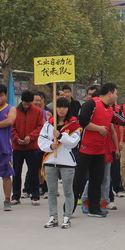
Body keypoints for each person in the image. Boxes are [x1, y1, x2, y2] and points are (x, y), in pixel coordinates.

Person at [73, 83, 125, 218]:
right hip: (86, 148)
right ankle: (69, 208)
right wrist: (99, 129)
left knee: (97, 180)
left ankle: (94, 209)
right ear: (110, 93)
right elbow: (83, 121)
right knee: (79, 179)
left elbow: (123, 121)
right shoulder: (92, 104)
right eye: (116, 93)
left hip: (100, 150)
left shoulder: (110, 110)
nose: (117, 96)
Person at [38, 97, 81, 229]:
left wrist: (61, 136)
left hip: (67, 162)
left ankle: (67, 217)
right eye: (59, 107)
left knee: (68, 191)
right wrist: (50, 146)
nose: (62, 110)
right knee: (51, 191)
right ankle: (53, 217)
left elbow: (74, 142)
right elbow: (41, 140)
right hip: (51, 161)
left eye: (64, 107)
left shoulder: (74, 125)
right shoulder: (48, 124)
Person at [11, 90, 44, 205]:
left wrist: (30, 137)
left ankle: (35, 195)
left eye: (29, 104)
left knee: (33, 172)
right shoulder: (14, 111)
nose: (27, 106)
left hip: (32, 146)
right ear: (22, 101)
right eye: (25, 104)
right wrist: (16, 138)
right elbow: (12, 127)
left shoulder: (38, 112)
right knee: (16, 172)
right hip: (17, 147)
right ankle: (16, 195)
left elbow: (40, 126)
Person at [0, 84, 16, 212]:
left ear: (5, 95)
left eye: (1, 95)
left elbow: (9, 121)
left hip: (4, 147)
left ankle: (7, 199)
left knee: (6, 175)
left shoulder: (11, 109)